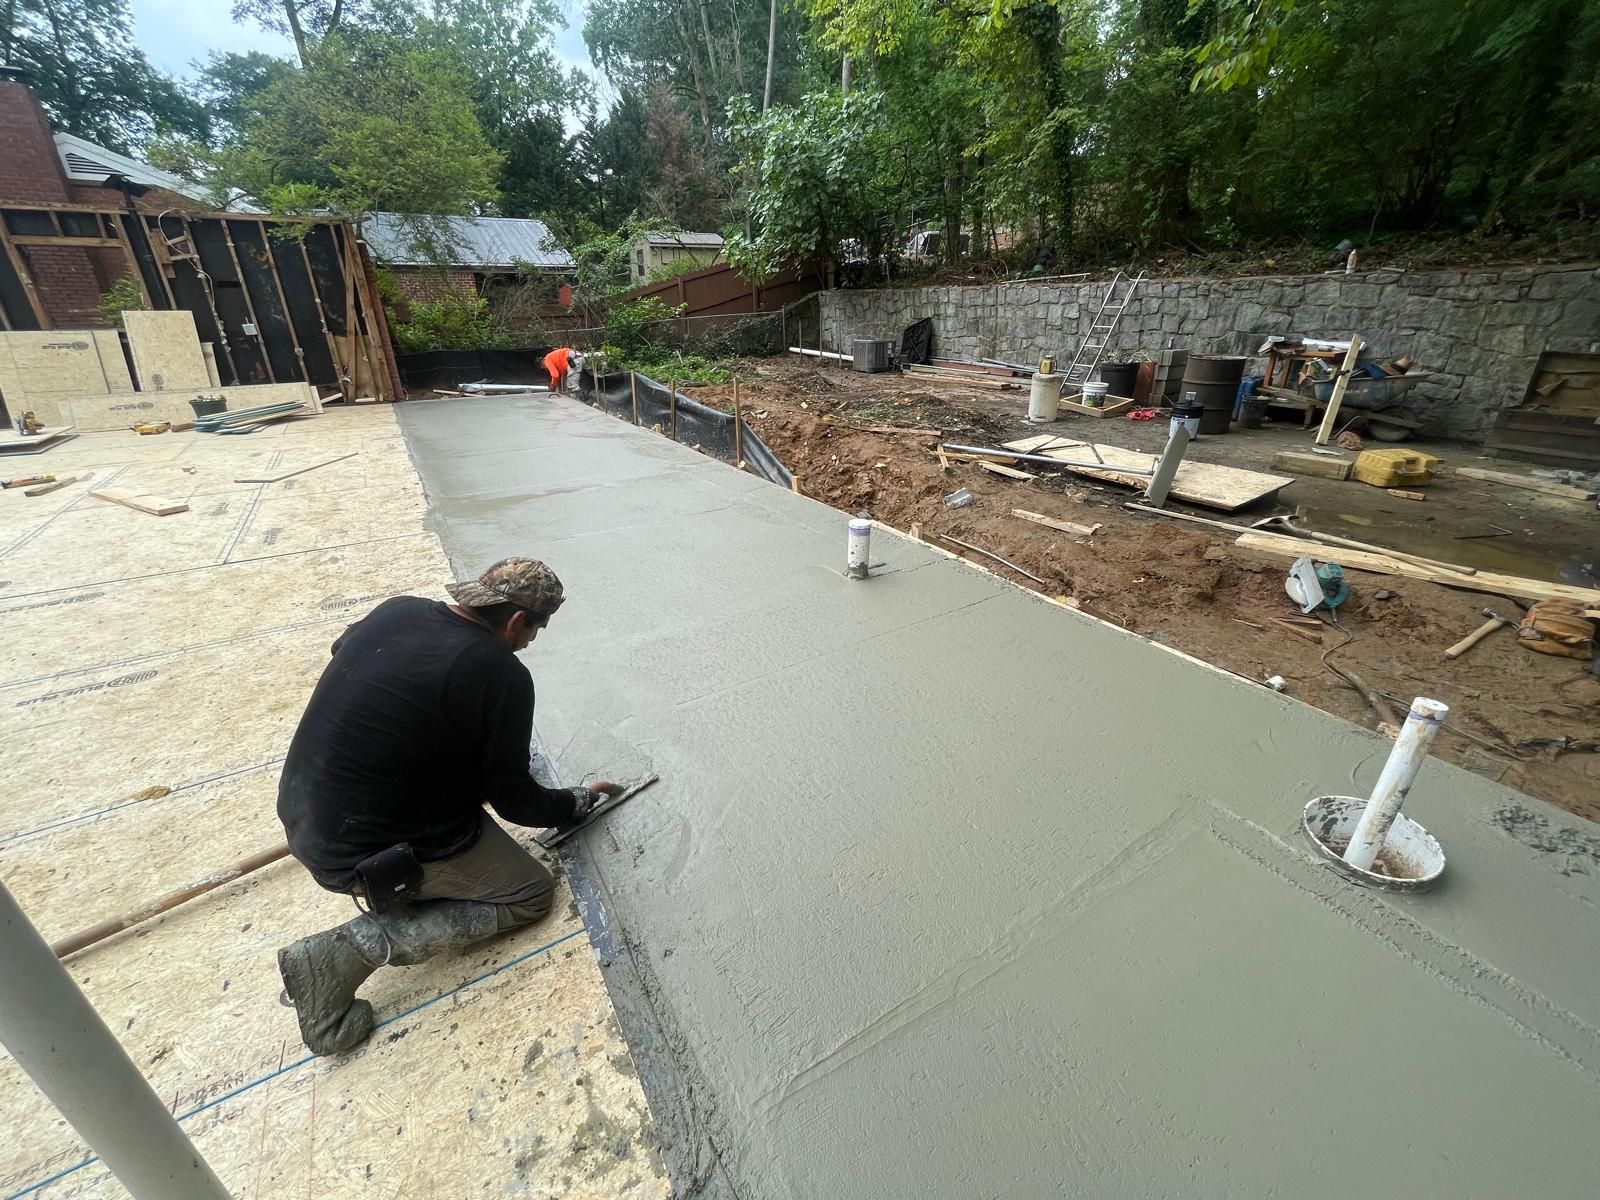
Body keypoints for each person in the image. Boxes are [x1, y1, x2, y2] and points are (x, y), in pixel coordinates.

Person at [275, 557, 620, 1056]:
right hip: (364, 851)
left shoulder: (399, 611)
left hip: (305, 808)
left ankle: (414, 887)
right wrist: (573, 803)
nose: (532, 640)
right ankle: (344, 952)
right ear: (517, 620)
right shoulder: (500, 674)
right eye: (537, 628)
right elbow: (515, 802)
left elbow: (345, 652)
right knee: (529, 893)